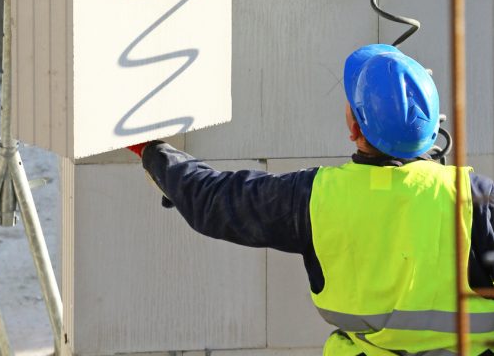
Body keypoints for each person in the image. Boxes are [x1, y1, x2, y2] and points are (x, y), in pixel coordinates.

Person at [128, 44, 494, 356]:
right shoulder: (478, 201)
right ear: (434, 126)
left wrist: (150, 149)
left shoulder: (314, 198)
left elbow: (212, 200)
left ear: (354, 129)